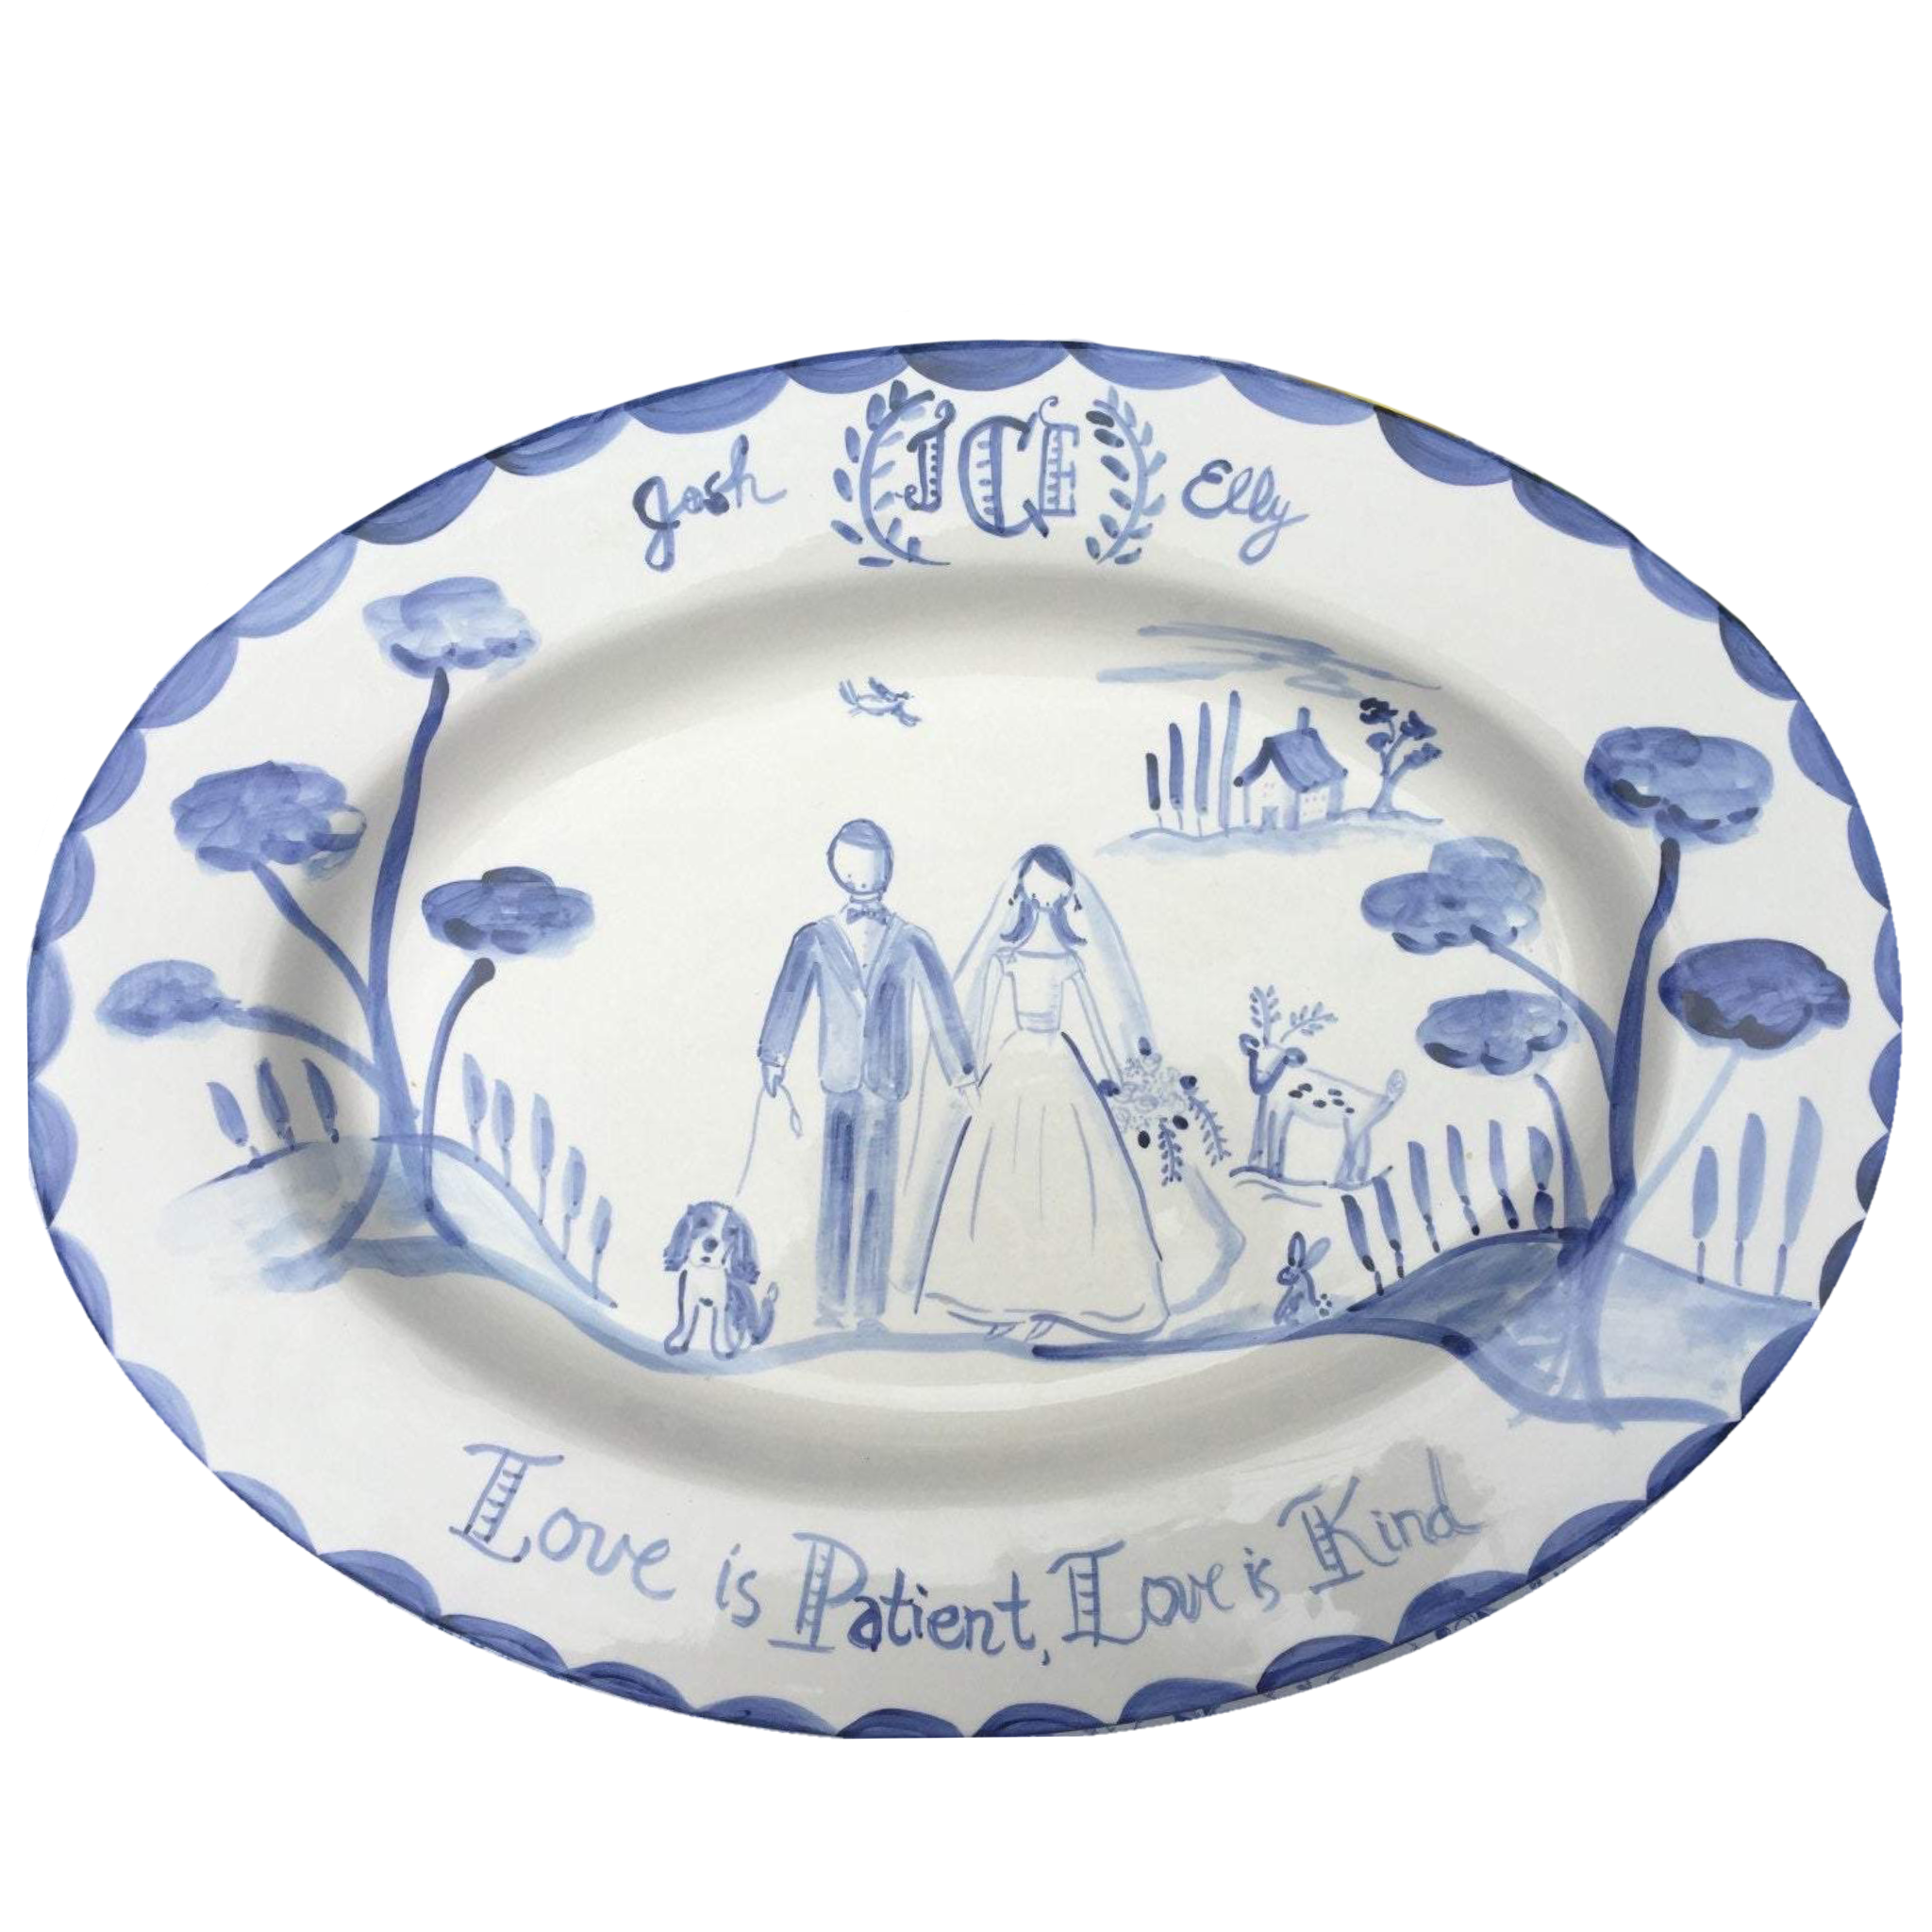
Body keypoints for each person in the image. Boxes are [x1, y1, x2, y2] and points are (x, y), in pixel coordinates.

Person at [902, 845, 1170, 1338]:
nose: (1045, 901)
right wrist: (967, 1075)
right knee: (1007, 1177)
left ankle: (1064, 1295)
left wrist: (1121, 1081)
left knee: (1067, 1175)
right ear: (1022, 895)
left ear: (1067, 898)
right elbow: (979, 1023)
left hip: (1058, 1063)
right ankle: (1004, 1296)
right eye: (1037, 891)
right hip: (1016, 1064)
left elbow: (1096, 1027)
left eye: (1054, 893)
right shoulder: (1005, 959)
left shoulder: (1069, 962)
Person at [757, 820, 975, 1328]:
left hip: (886, 1082)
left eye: (870, 868)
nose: (862, 878)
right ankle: (831, 1304)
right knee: (835, 1193)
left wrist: (963, 1072)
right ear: (838, 870)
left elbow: (942, 1006)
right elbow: (789, 996)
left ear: (887, 871)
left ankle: (871, 1308)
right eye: (852, 867)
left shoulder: (911, 939)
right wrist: (773, 1056)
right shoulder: (815, 937)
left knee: (878, 1194)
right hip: (839, 1081)